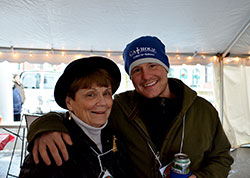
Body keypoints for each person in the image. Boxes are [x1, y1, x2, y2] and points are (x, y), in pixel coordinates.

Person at [26, 36, 234, 178]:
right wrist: (44, 128)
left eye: (152, 65)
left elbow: (222, 157)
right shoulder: (120, 107)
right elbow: (74, 115)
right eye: (136, 70)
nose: (146, 76)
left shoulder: (203, 110)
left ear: (166, 67)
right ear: (130, 76)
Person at [19, 56, 132, 178]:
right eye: (90, 94)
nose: (102, 102)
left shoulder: (117, 138)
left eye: (106, 93)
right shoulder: (51, 147)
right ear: (69, 102)